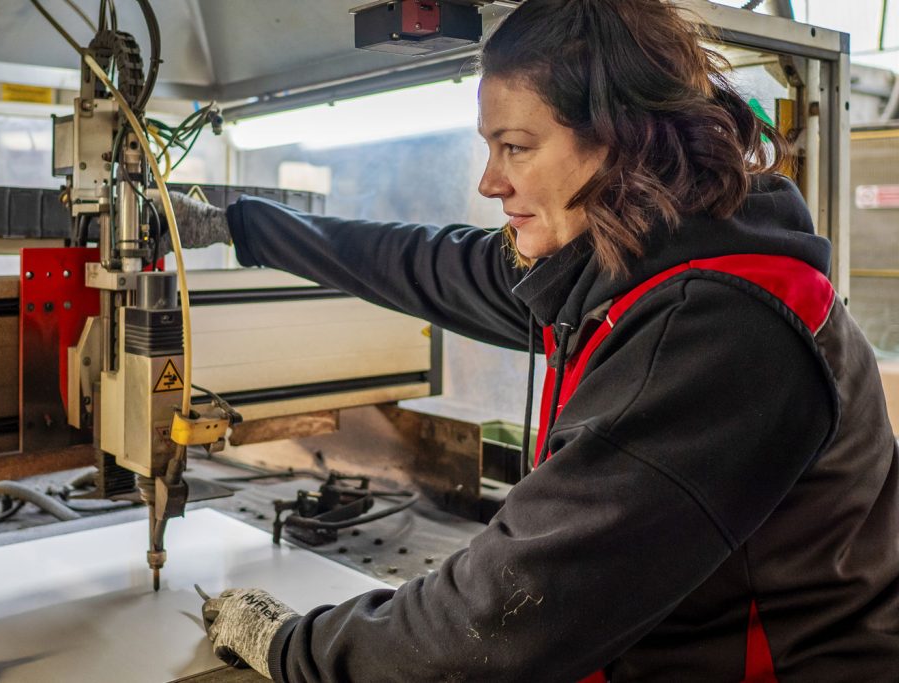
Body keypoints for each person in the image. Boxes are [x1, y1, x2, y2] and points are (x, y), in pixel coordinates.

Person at [169, 0, 899, 680]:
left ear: (621, 141)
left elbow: (483, 628)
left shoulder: (720, 330)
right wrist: (241, 226)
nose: (490, 181)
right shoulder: (619, 263)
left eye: (515, 147)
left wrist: (285, 644)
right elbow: (428, 263)